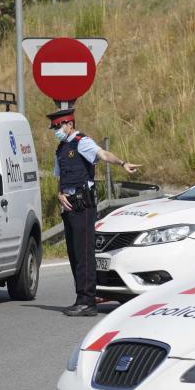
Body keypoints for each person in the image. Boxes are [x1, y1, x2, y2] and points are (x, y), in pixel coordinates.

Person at [47, 107, 141, 317]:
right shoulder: (61, 148)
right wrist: (59, 193)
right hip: (68, 203)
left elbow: (103, 154)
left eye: (57, 126)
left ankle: (88, 301)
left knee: (85, 253)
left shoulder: (83, 142)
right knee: (73, 253)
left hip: (83, 204)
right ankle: (81, 297)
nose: (55, 130)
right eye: (53, 127)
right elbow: (59, 175)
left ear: (69, 124)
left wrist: (122, 163)